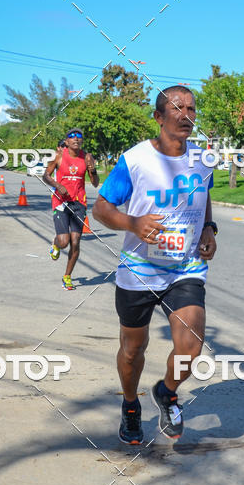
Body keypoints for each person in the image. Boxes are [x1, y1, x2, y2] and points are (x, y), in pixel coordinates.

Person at [92, 86, 218, 445]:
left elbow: (204, 195)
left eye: (191, 108)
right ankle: (131, 405)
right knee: (133, 350)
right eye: (177, 108)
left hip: (186, 267)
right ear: (159, 117)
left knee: (191, 347)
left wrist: (208, 227)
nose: (186, 115)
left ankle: (167, 391)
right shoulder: (135, 160)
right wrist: (132, 223)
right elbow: (100, 209)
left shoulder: (203, 159)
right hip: (139, 270)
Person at [43, 129, 99, 290]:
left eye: (79, 136)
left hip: (79, 204)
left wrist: (93, 170)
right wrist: (57, 185)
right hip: (60, 202)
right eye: (72, 137)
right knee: (64, 242)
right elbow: (46, 176)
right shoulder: (58, 156)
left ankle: (67, 276)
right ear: (66, 142)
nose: (76, 138)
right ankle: (55, 243)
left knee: (75, 242)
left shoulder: (87, 157)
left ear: (82, 141)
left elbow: (95, 183)